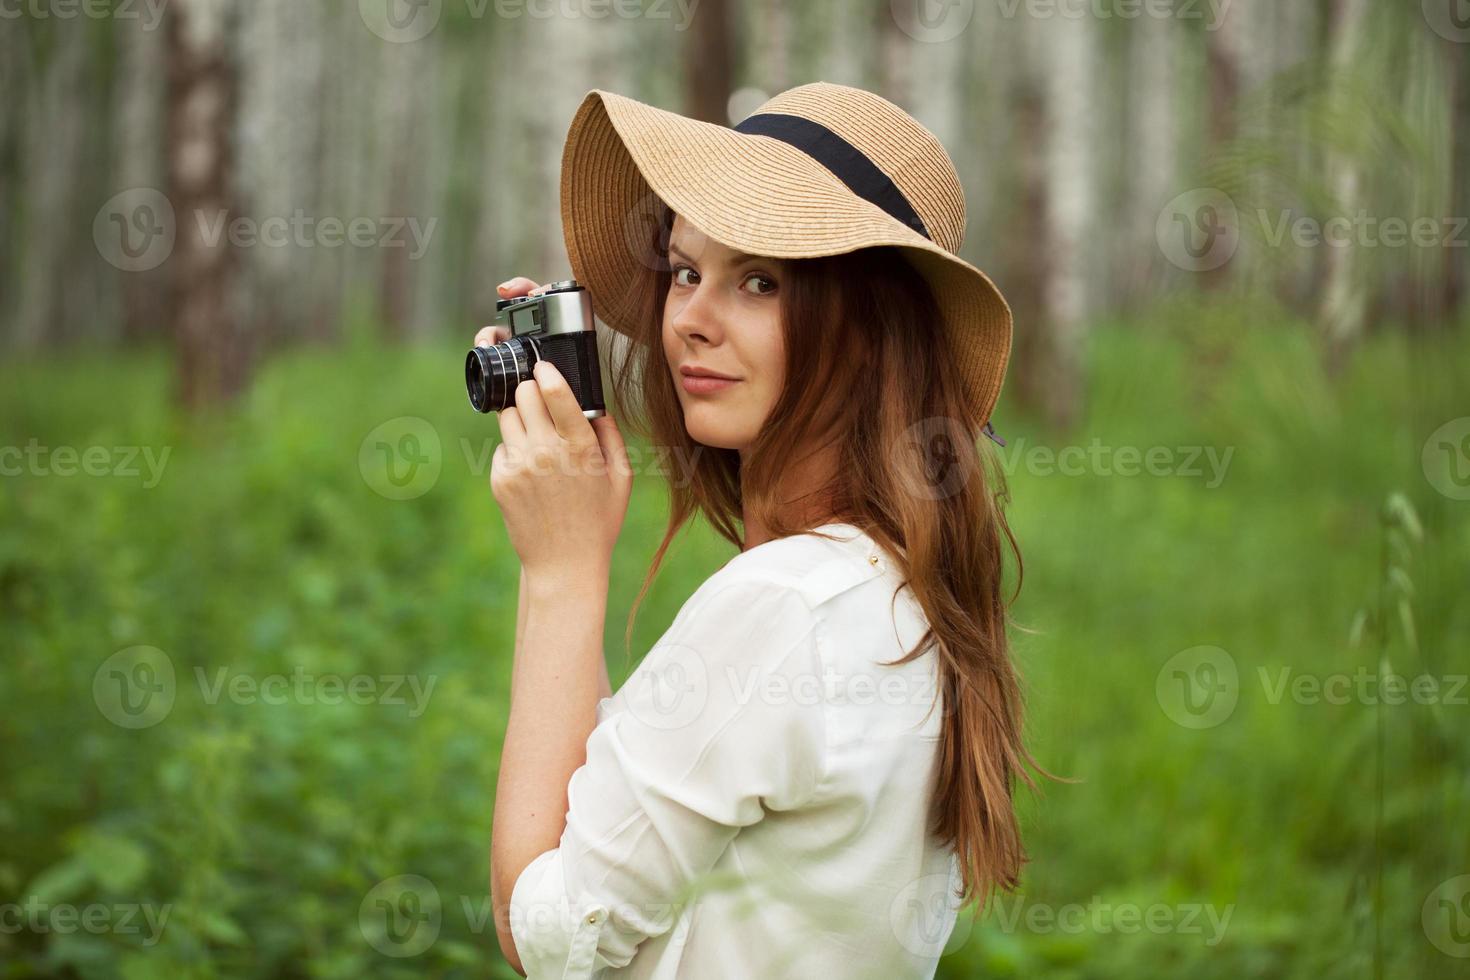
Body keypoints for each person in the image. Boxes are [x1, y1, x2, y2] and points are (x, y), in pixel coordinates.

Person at [483, 81, 1045, 979]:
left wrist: (559, 572)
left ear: (867, 332)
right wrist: (572, 539)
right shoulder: (891, 589)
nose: (692, 320)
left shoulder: (785, 609)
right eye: (684, 270)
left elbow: (543, 932)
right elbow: (603, 827)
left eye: (759, 281)